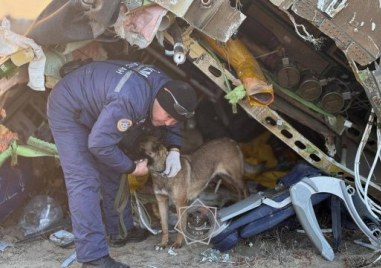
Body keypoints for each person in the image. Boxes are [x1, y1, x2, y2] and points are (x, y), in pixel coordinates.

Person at [47, 60, 197, 268]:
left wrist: (174, 148)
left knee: (112, 165)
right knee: (84, 179)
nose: (169, 123)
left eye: (175, 120)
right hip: (68, 106)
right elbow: (99, 144)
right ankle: (93, 258)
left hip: (97, 102)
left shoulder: (166, 87)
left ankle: (120, 231)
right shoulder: (130, 100)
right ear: (158, 100)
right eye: (168, 116)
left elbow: (172, 117)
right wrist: (133, 168)